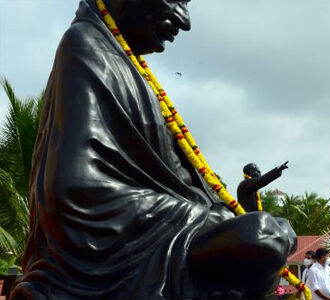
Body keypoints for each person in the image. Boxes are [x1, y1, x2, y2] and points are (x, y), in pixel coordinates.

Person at [10, 0, 296, 299]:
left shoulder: (131, 67)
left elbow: (179, 184)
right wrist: (206, 220)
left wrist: (216, 218)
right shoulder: (83, 45)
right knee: (260, 237)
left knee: (274, 233)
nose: (184, 21)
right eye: (175, 0)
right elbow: (72, 189)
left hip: (171, 230)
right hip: (122, 246)